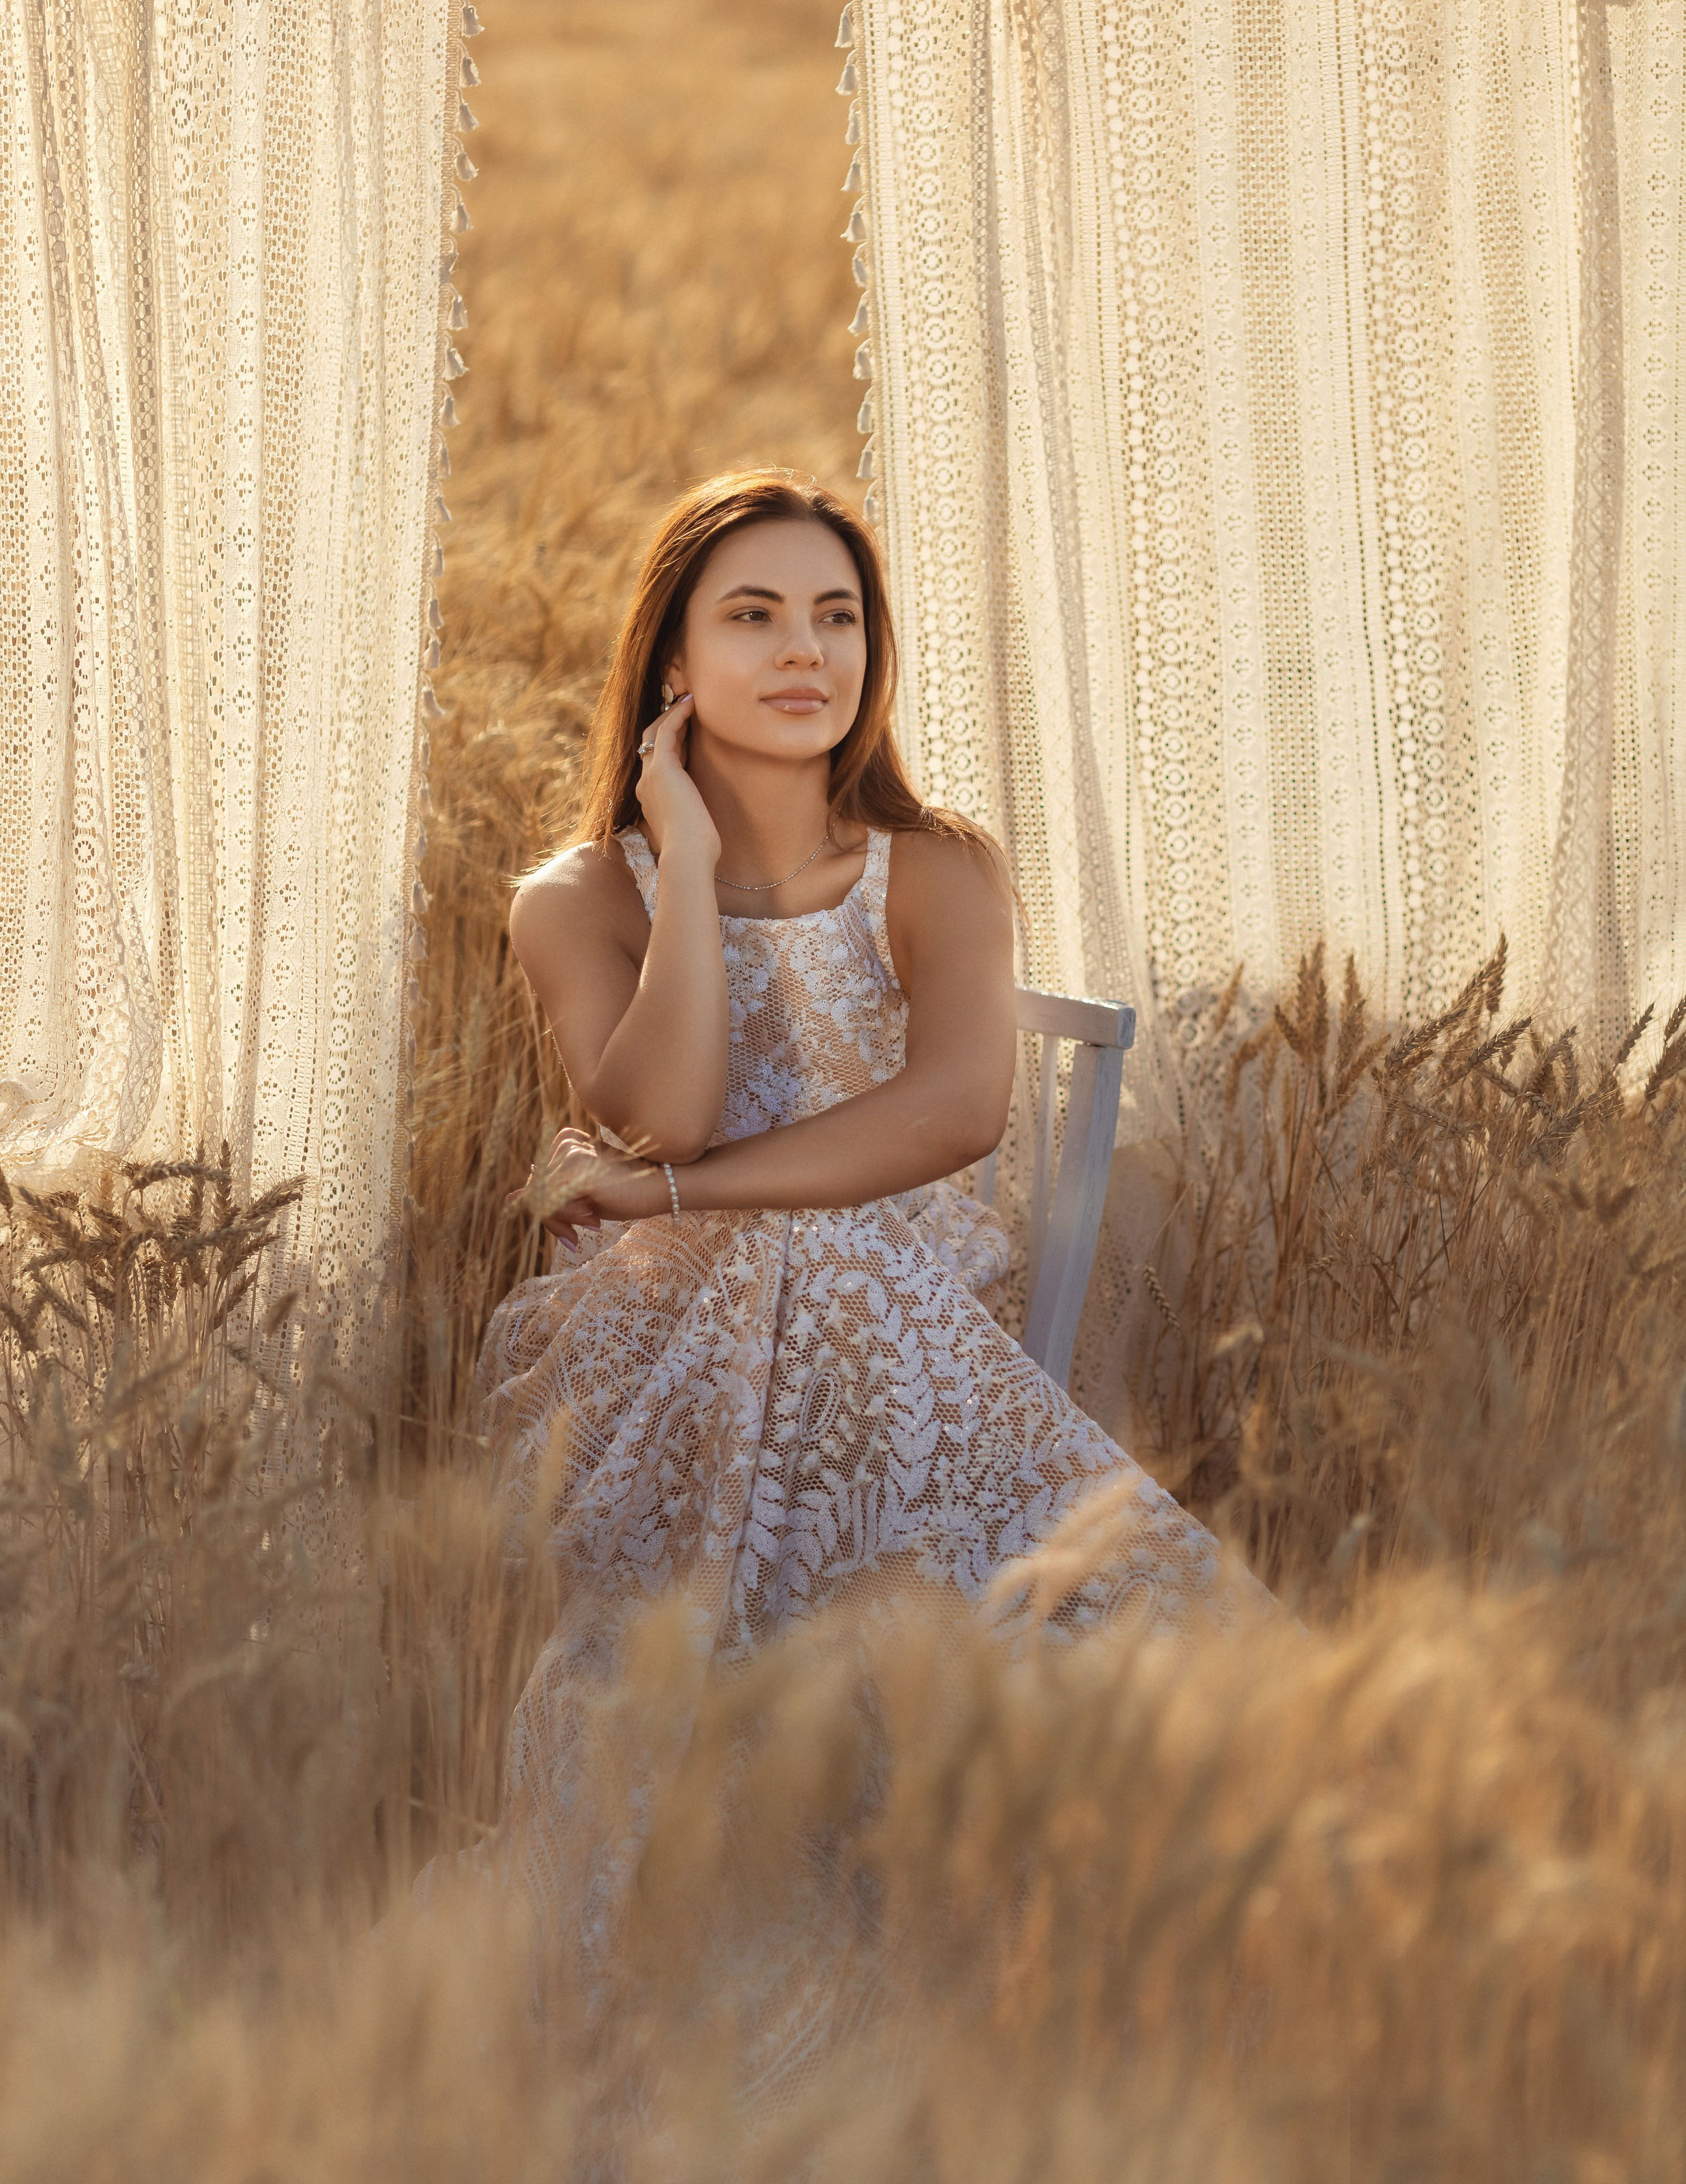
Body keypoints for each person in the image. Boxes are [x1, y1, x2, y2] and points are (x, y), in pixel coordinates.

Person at [474, 470, 1264, 2078]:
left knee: (827, 1261)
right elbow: (667, 1096)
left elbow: (947, 1114)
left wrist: (677, 1189)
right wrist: (682, 864)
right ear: (673, 661)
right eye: (752, 615)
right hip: (652, 1349)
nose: (803, 651)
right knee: (799, 1264)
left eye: (836, 615)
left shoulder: (937, 868)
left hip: (903, 1339)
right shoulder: (575, 896)